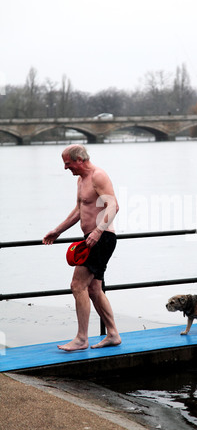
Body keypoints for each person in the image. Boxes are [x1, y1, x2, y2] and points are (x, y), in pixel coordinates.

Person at [43, 144, 121, 351]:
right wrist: (57, 231)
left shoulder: (98, 176)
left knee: (78, 285)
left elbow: (113, 206)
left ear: (79, 159)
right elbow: (80, 209)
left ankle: (81, 338)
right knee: (94, 289)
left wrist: (98, 231)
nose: (66, 168)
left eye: (68, 163)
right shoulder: (81, 180)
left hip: (102, 237)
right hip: (91, 238)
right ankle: (112, 334)